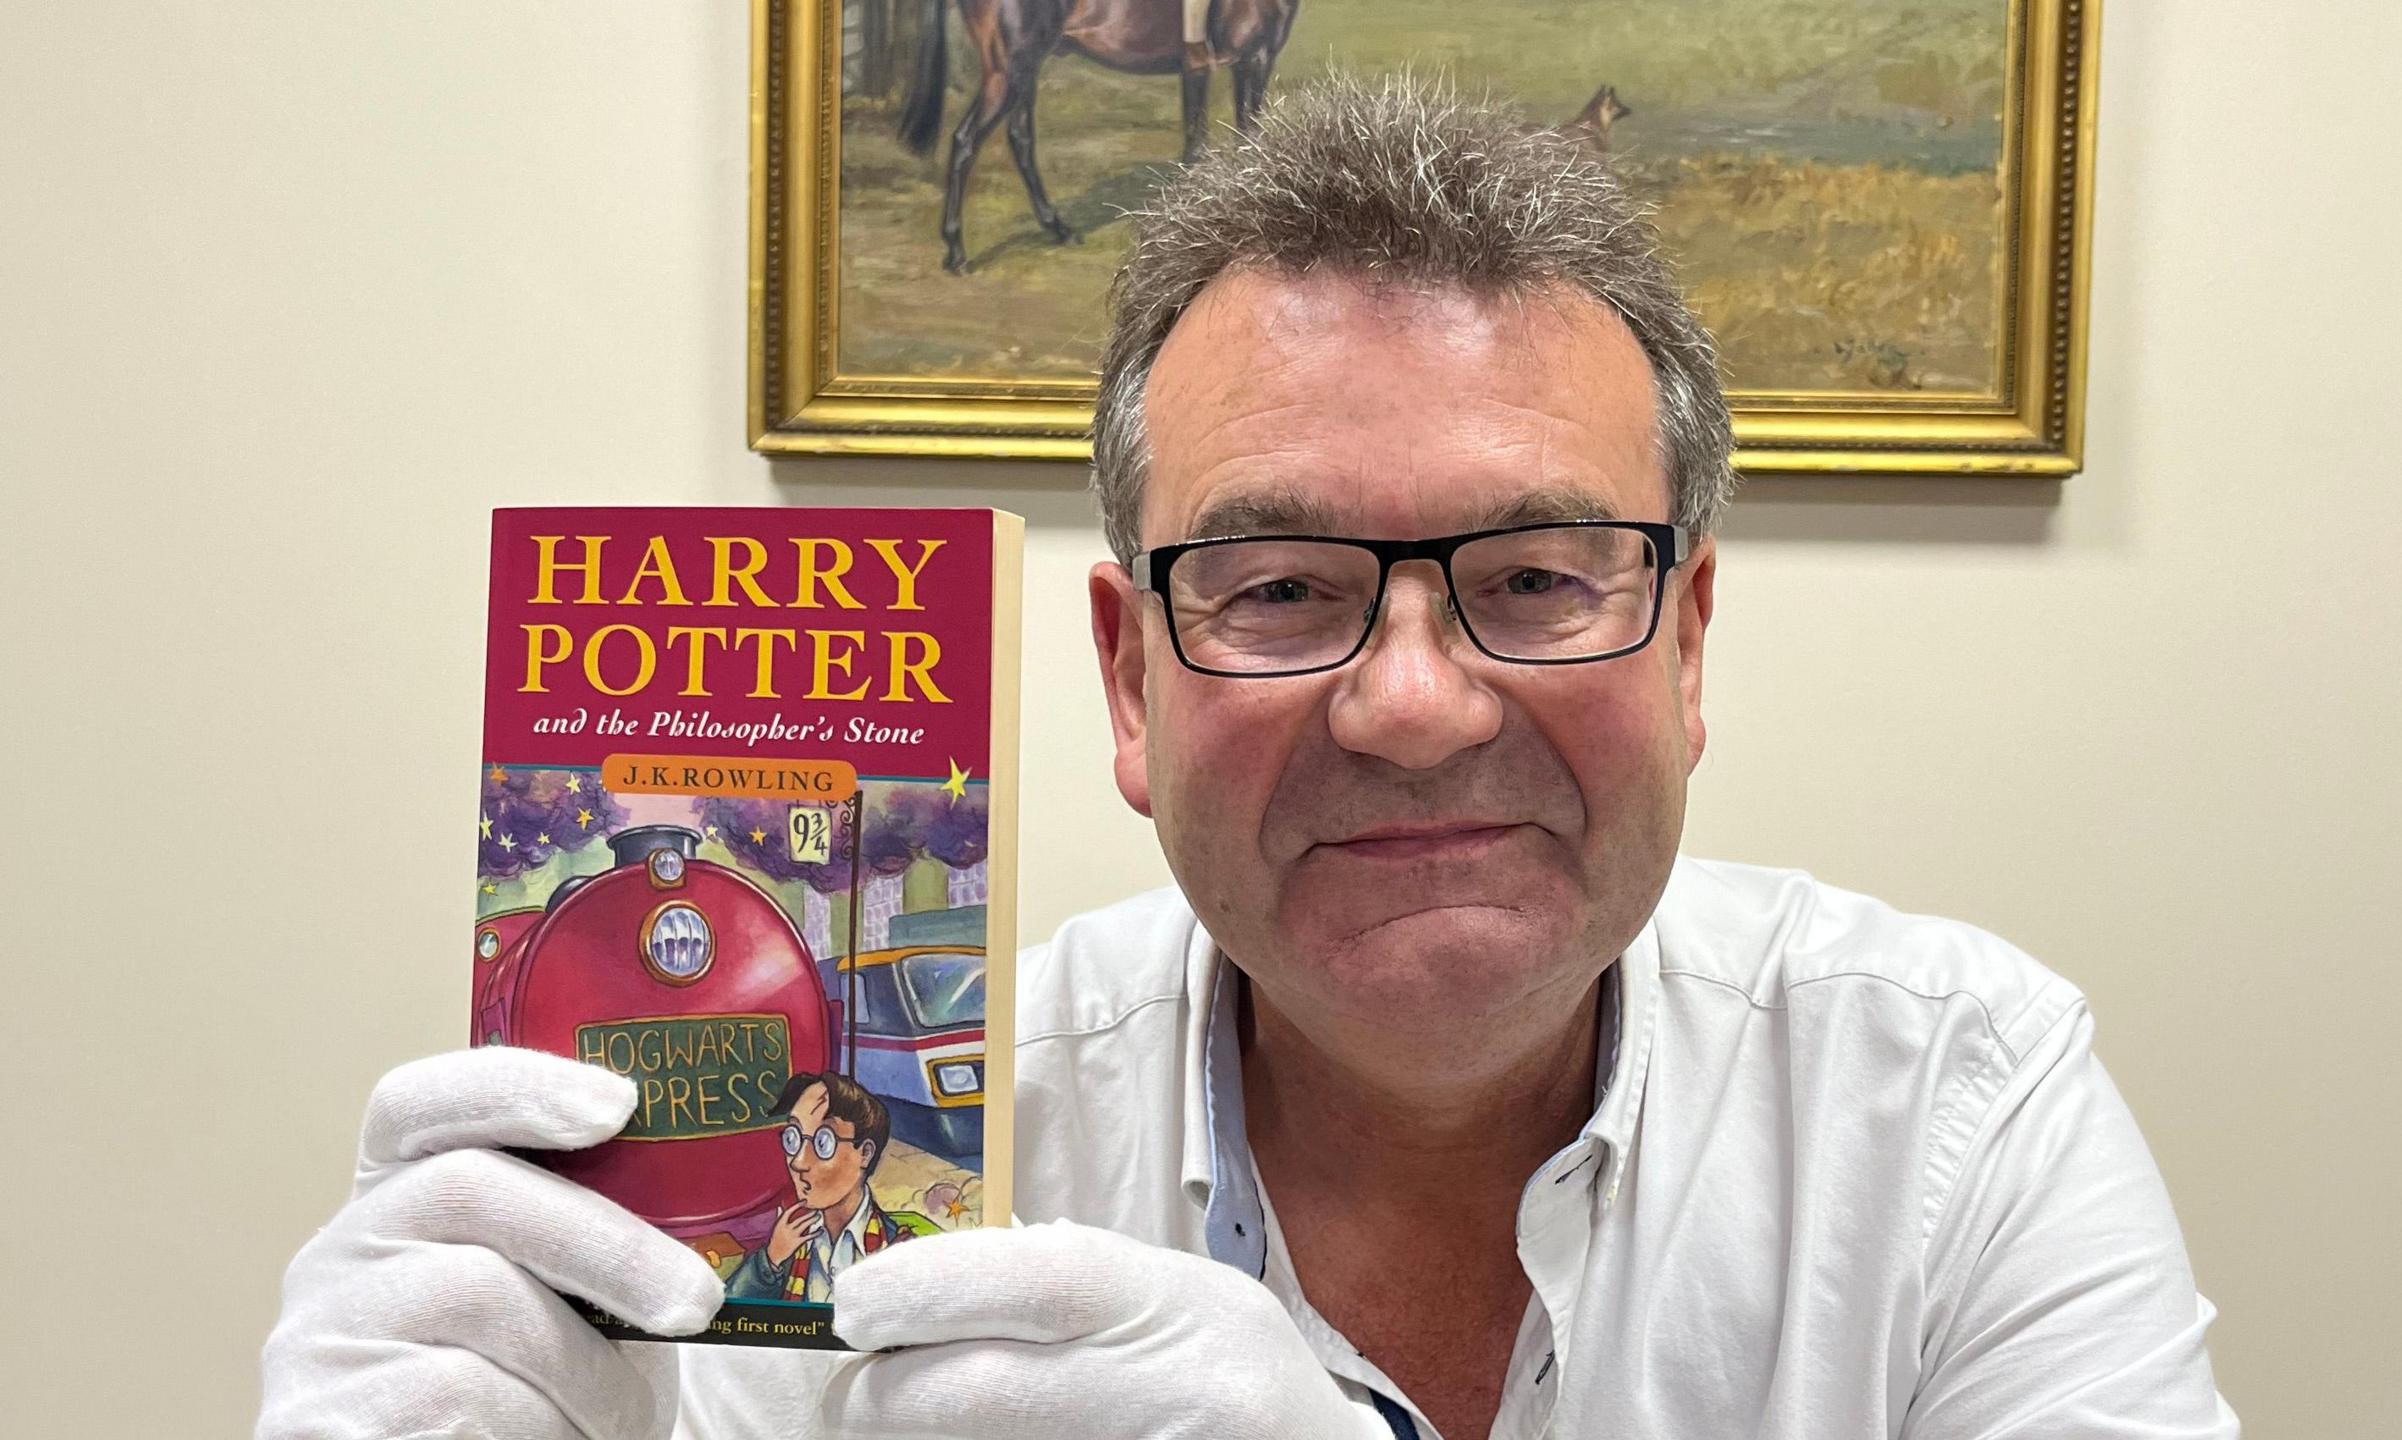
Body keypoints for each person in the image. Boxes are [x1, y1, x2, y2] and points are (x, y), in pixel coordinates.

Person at [257, 75, 2240, 1440]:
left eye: (1539, 578)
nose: (1408, 700)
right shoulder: (857, 1146)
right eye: (1281, 590)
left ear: (1689, 643)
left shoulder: (1952, 1102)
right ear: (1128, 683)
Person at [725, 1072, 937, 1305]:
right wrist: (770, 1261)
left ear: (865, 1154)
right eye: (792, 1139)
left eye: (823, 1143)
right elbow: (729, 1315)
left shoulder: (898, 1246)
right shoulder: (784, 1245)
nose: (798, 1161)